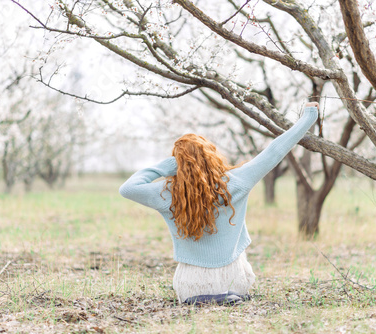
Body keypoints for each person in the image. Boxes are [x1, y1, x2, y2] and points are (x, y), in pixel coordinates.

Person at [119, 102, 319, 305]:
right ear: (211, 156)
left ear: (178, 164)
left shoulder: (168, 194)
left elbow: (128, 188)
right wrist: (308, 117)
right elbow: (275, 151)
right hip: (233, 282)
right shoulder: (237, 182)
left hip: (190, 288)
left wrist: (166, 166)